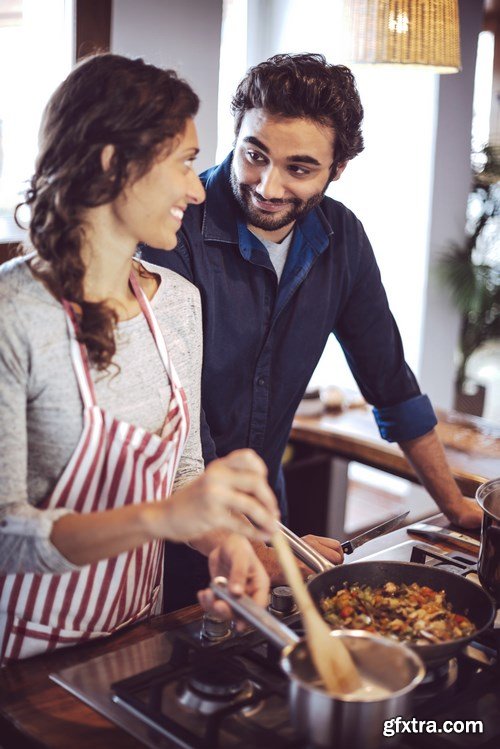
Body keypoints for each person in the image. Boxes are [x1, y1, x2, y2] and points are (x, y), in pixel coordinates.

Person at [141, 53, 483, 604]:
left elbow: (391, 384)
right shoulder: (172, 231)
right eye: (255, 155)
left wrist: (455, 505)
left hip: (264, 517)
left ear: (337, 168)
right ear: (237, 133)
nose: (268, 186)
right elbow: (174, 425)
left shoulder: (341, 238)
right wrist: (270, 553)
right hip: (166, 525)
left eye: (299, 169)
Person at [0, 54, 280, 664]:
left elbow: (182, 473)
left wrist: (224, 542)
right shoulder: (11, 315)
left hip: (132, 637)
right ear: (110, 163)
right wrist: (160, 516)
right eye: (182, 161)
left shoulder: (177, 302)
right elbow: (5, 534)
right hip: (20, 661)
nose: (196, 186)